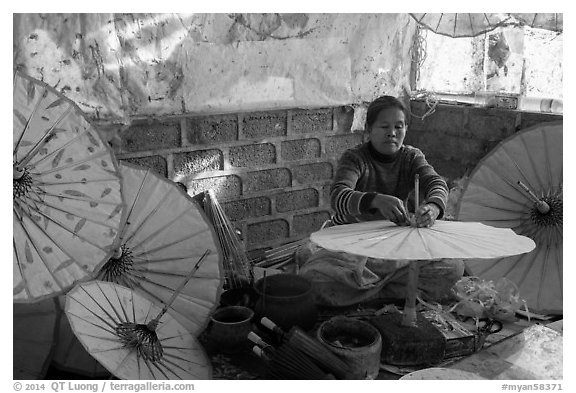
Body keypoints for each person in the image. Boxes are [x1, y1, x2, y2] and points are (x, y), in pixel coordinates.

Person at [297, 95, 464, 307]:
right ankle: (395, 290)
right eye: (384, 126)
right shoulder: (355, 158)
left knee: (453, 267)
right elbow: (338, 196)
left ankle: (367, 291)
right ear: (369, 129)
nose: (392, 133)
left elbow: (436, 183)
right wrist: (374, 201)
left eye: (399, 126)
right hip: (353, 246)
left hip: (395, 247)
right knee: (312, 279)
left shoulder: (411, 157)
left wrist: (433, 207)